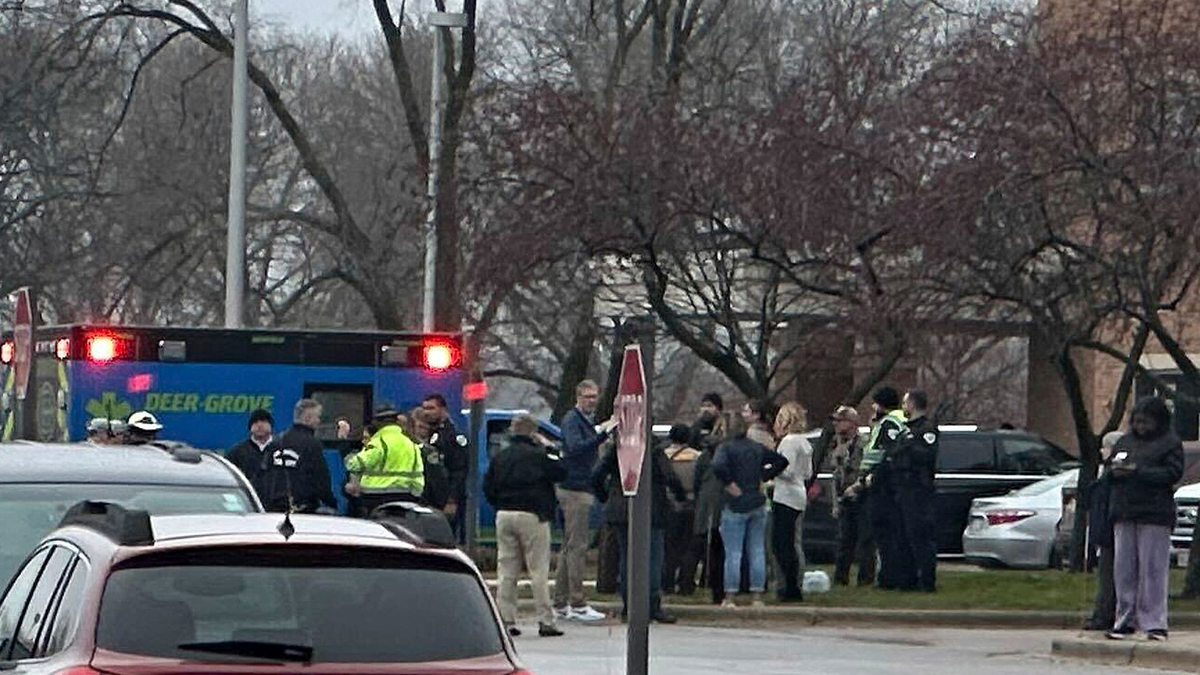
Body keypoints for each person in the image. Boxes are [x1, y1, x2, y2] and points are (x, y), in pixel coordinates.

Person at [1107, 397, 1183, 642]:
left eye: (1146, 422)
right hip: (1125, 511)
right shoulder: (1125, 441)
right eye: (1137, 421)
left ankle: (1155, 623)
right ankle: (1124, 620)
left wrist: (1137, 471)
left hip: (1155, 513)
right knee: (1124, 569)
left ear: (1158, 421)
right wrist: (1115, 471)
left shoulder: (1170, 443)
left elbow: (1172, 473)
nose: (1140, 426)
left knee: (1153, 569)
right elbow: (1110, 468)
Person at [483, 414, 566, 638]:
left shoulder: (501, 456)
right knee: (538, 569)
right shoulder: (539, 456)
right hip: (533, 514)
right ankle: (546, 620)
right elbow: (561, 472)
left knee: (507, 570)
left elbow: (488, 486)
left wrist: (500, 503)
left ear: (512, 430)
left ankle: (506, 620)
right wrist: (551, 449)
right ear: (533, 433)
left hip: (504, 513)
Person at [592, 434, 686, 623]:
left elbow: (596, 475)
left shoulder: (618, 448)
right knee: (653, 559)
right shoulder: (655, 449)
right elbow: (670, 477)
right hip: (652, 509)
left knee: (628, 559)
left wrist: (606, 496)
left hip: (621, 509)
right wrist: (680, 496)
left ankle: (630, 605)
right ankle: (652, 606)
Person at [712, 413, 789, 608]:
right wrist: (764, 475)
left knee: (733, 552)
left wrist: (729, 483)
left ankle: (730, 595)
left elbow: (717, 465)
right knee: (757, 550)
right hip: (757, 501)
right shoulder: (755, 447)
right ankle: (757, 596)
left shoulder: (725, 448)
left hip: (735, 503)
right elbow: (781, 461)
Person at [553, 380, 614, 623]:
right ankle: (577, 602)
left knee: (569, 548)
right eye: (588, 396)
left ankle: (560, 602)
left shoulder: (583, 422)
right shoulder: (572, 420)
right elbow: (576, 447)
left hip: (580, 488)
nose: (592, 401)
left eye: (595, 397)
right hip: (575, 489)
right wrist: (602, 434)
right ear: (578, 396)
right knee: (576, 548)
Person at [856, 386, 907, 589]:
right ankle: (889, 576)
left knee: (885, 535)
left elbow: (886, 454)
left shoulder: (890, 423)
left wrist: (870, 475)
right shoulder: (891, 421)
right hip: (885, 484)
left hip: (883, 486)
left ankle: (888, 578)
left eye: (875, 402)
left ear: (882, 404)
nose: (872, 406)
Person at [891, 389, 939, 592]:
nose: (903, 406)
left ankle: (926, 581)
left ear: (912, 404)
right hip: (902, 488)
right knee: (902, 536)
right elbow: (894, 453)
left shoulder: (927, 429)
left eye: (905, 402)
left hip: (919, 490)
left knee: (920, 535)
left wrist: (910, 444)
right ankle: (906, 580)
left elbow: (927, 456)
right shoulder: (905, 429)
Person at [258, 399, 337, 514]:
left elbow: (263, 475)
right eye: (317, 417)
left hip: (274, 507)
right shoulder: (312, 444)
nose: (319, 421)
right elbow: (321, 478)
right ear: (307, 418)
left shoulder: (276, 441)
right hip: (302, 507)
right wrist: (331, 502)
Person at [345, 406, 426, 516]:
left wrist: (350, 456)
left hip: (376, 496)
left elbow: (355, 465)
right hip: (406, 496)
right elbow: (418, 471)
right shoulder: (411, 443)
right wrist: (416, 494)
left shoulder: (379, 442)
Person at [827, 405, 874, 586]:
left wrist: (857, 487)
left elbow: (868, 470)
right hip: (844, 499)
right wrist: (835, 503)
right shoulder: (839, 445)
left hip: (862, 497)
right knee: (844, 541)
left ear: (852, 423)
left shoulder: (864, 443)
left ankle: (865, 579)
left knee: (865, 540)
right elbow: (835, 475)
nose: (836, 425)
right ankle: (841, 578)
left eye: (840, 421)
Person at [771, 402, 813, 602]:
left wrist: (771, 469)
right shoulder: (804, 442)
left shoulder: (789, 442)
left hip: (786, 495)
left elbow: (786, 470)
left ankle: (789, 586)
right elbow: (808, 473)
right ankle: (796, 582)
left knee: (782, 544)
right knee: (794, 542)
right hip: (799, 493)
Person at [691, 395, 729, 603]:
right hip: (724, 501)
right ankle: (718, 585)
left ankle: (711, 583)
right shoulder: (697, 431)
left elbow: (698, 478)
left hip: (711, 502)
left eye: (710, 406)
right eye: (703, 405)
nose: (706, 410)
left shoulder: (708, 455)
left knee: (710, 543)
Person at [1083, 430, 1122, 631]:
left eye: (1105, 446)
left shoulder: (1112, 475)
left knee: (1109, 577)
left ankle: (1104, 614)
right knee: (1107, 575)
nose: (1101, 450)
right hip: (1105, 531)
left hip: (1109, 531)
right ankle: (1105, 613)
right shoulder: (1107, 473)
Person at [662, 424, 703, 596]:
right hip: (692, 503)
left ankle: (667, 582)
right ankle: (686, 583)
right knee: (690, 546)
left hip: (670, 503)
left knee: (669, 546)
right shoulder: (697, 457)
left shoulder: (663, 456)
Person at [422, 394, 470, 534]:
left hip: (445, 499)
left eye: (431, 408)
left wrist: (451, 500)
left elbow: (459, 470)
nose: (426, 412)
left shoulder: (454, 435)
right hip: (431, 497)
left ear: (443, 410)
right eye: (425, 408)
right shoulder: (433, 433)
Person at [411, 407, 452, 511]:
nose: (422, 430)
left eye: (425, 427)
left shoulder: (433, 446)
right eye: (419, 427)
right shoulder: (421, 449)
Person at [226, 409, 274, 484]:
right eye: (255, 422)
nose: (259, 425)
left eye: (264, 421)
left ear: (271, 426)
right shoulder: (238, 451)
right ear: (250, 427)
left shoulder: (280, 448)